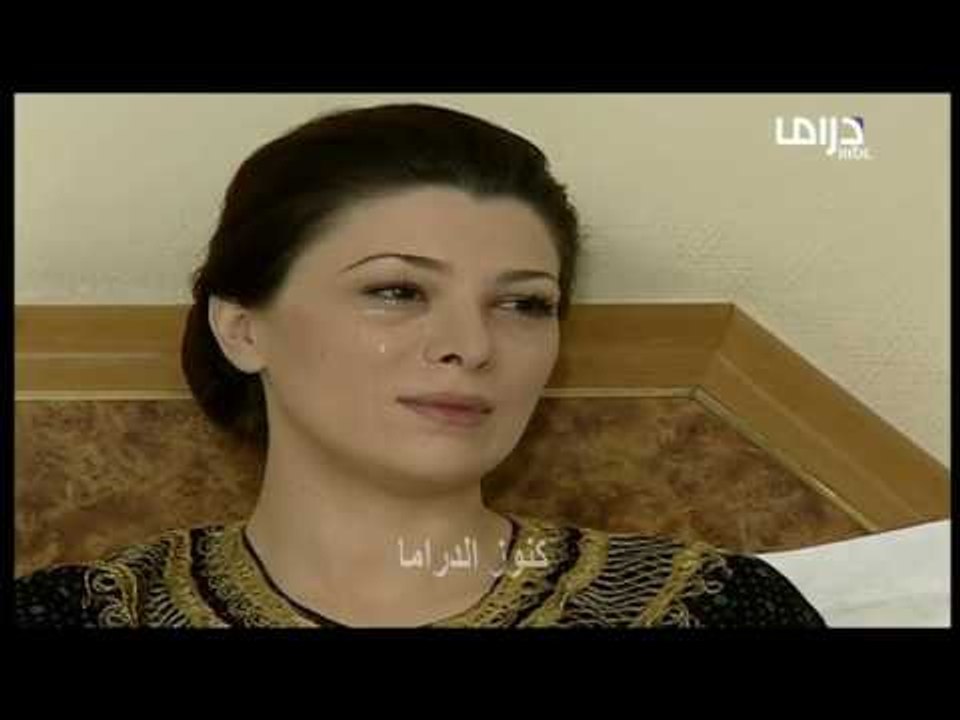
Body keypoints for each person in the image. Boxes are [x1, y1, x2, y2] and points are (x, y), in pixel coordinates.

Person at [14, 102, 825, 628]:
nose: (472, 345)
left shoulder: (713, 609)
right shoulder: (80, 614)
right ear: (243, 330)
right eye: (397, 291)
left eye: (525, 303)